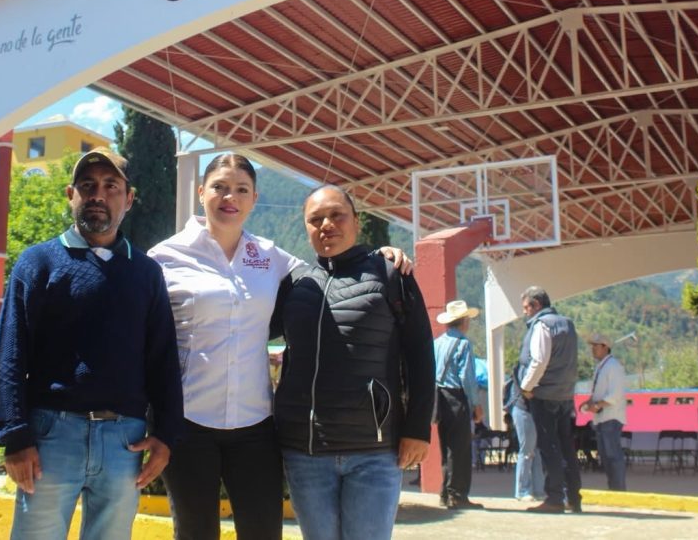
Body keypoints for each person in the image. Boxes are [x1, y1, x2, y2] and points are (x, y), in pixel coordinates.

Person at [147, 154, 412, 540]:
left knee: (263, 533)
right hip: (188, 424)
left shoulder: (271, 257)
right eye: (220, 187)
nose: (230, 197)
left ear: (254, 199)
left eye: (241, 190)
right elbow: (148, 345)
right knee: (195, 533)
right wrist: (153, 421)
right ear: (201, 192)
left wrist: (377, 258)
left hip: (255, 426)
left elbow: (330, 273)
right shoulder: (163, 258)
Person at [0, 147, 183, 540]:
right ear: (70, 195)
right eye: (87, 186)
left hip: (124, 442)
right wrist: (15, 437)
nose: (98, 195)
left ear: (129, 199)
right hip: (50, 438)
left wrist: (166, 436)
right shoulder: (37, 264)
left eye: (111, 187)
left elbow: (162, 358)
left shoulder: (146, 274)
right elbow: (8, 355)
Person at [272, 185, 435, 540]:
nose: (326, 224)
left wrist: (418, 428)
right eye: (315, 219)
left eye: (337, 215)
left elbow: (421, 353)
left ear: (357, 221)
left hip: (374, 453)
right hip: (305, 453)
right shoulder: (295, 284)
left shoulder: (391, 274)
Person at [517, 286, 582, 514]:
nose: (525, 312)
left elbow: (539, 360)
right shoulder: (568, 324)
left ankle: (554, 497)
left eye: (526, 307)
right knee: (566, 446)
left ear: (536, 305)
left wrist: (526, 387)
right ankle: (573, 497)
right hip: (565, 394)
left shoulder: (542, 325)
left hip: (544, 395)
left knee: (549, 446)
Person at [433, 300, 483, 510]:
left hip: (439, 397)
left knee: (446, 446)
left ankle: (445, 492)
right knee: (460, 448)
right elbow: (467, 378)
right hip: (456, 397)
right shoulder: (463, 343)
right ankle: (458, 494)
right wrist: (476, 404)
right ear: (463, 321)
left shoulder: (437, 343)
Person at [580, 333, 626, 490]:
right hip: (601, 418)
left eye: (596, 345)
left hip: (611, 418)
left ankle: (619, 490)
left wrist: (598, 405)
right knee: (606, 457)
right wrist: (590, 402)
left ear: (606, 347)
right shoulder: (601, 367)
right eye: (592, 346)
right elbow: (599, 393)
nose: (593, 349)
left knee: (613, 455)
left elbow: (615, 394)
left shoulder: (613, 366)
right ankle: (614, 489)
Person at [505, 362, 545, 501]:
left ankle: (539, 490)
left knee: (536, 451)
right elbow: (526, 391)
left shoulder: (535, 365)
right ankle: (522, 490)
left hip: (533, 411)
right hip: (523, 409)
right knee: (527, 450)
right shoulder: (525, 366)